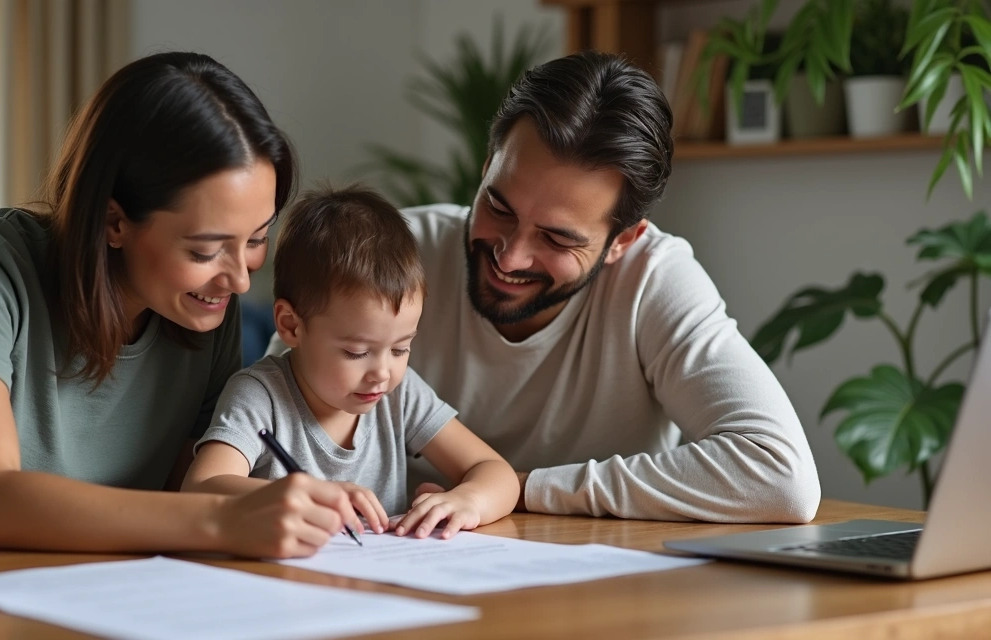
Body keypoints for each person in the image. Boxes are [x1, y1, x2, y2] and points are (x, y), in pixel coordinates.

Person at [0, 52, 365, 559]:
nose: (240, 279)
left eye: (255, 240)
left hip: (69, 600)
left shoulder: (203, 308)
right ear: (114, 222)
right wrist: (222, 518)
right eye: (205, 249)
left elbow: (188, 490)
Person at [275, 50, 822, 524]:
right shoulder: (387, 261)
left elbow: (780, 474)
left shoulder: (654, 282)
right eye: (498, 205)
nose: (510, 255)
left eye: (557, 238)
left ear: (622, 241)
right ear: (487, 167)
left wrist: (515, 487)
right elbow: (274, 416)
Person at [183, 185, 519, 540]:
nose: (382, 373)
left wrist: (467, 500)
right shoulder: (260, 395)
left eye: (401, 349)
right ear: (291, 325)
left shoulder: (400, 395)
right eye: (357, 352)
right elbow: (200, 487)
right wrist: (302, 495)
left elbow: (495, 471)